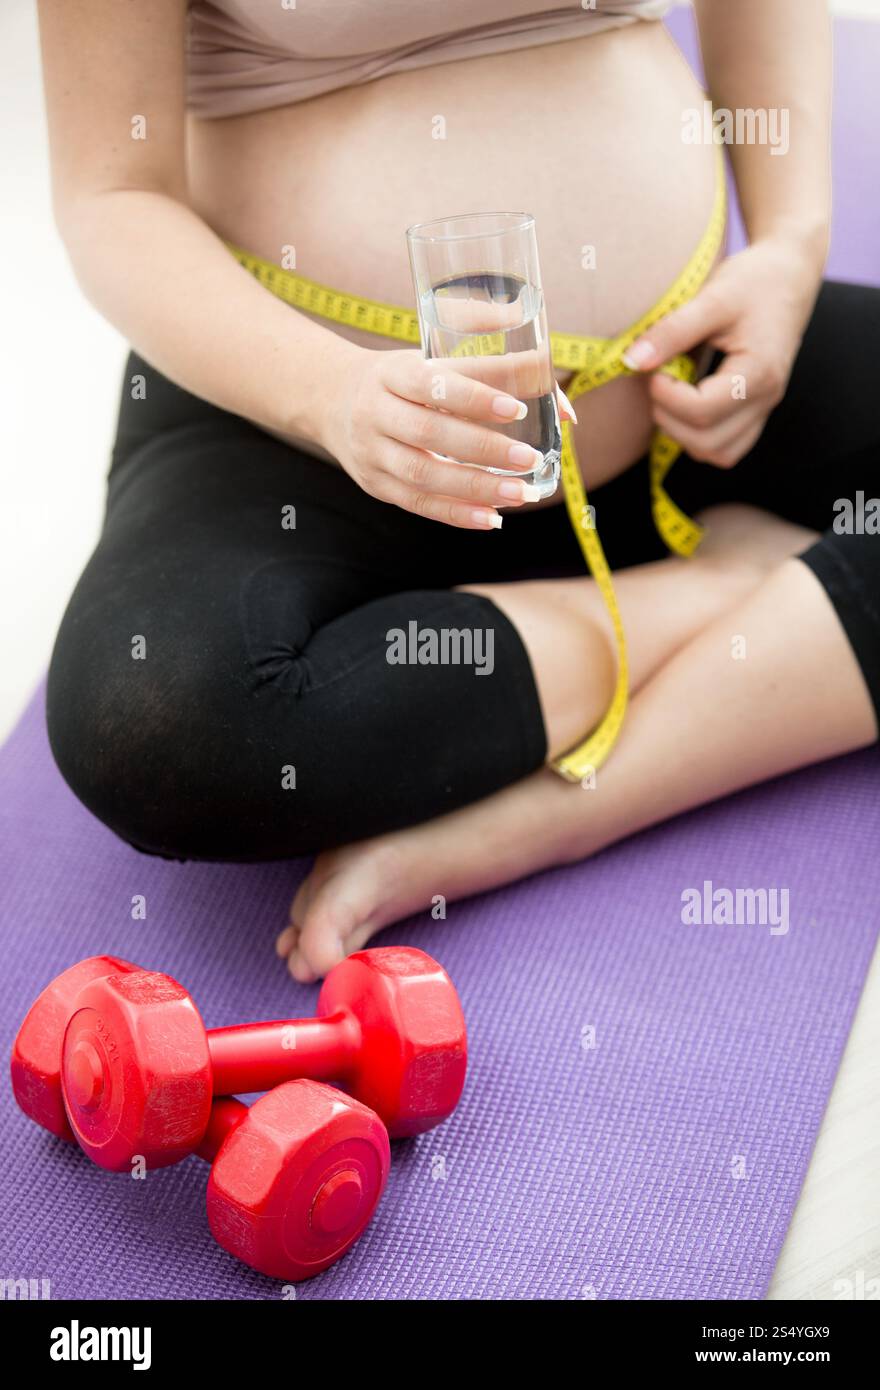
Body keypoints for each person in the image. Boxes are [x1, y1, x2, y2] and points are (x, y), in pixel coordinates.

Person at [38, 1, 878, 981]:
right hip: (295, 428)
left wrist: (788, 246)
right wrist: (329, 394)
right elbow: (110, 194)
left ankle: (549, 814)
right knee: (152, 726)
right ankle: (740, 592)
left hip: (687, 388)